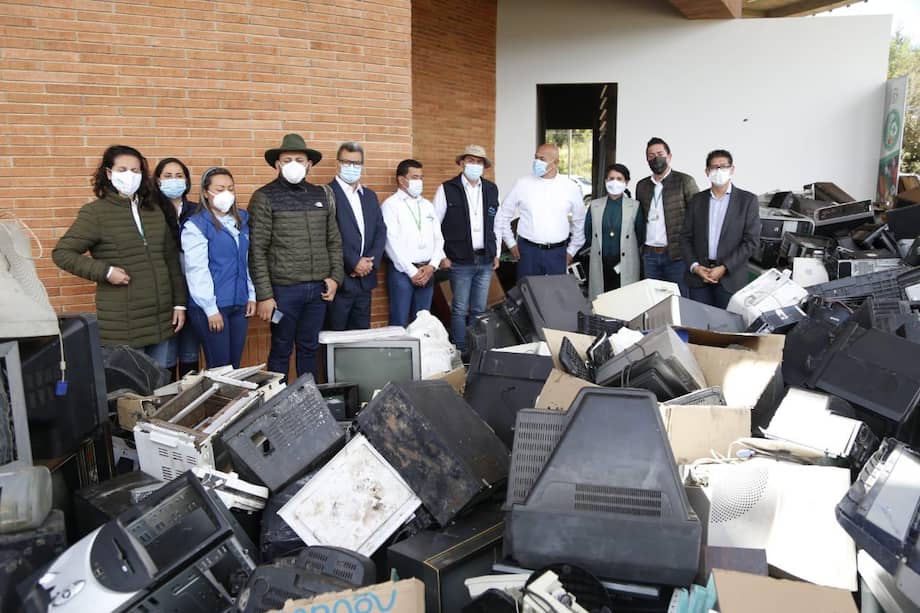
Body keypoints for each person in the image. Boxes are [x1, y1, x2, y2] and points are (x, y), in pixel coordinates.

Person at [52, 145, 187, 366]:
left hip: (161, 320)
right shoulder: (96, 213)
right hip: (124, 325)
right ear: (108, 173)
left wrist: (179, 304)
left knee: (161, 389)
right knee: (129, 393)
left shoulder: (153, 211)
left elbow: (170, 260)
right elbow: (62, 253)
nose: (130, 175)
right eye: (123, 169)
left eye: (135, 170)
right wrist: (105, 271)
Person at [248, 134, 344, 380]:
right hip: (284, 292)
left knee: (309, 348)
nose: (293, 164)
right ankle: (277, 405)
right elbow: (257, 249)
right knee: (281, 349)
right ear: (277, 164)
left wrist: (335, 277)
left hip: (318, 289)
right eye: (287, 159)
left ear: (309, 164)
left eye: (299, 159)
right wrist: (265, 295)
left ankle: (307, 400)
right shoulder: (264, 197)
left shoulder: (320, 195)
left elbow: (333, 240)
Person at [182, 168, 256, 369]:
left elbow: (246, 260)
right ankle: (220, 402)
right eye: (220, 188)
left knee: (235, 367)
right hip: (213, 307)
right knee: (220, 368)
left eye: (230, 188)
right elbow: (196, 269)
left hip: (238, 304)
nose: (226, 193)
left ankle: (234, 402)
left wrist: (251, 294)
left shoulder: (241, 221)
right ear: (206, 192)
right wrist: (210, 308)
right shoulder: (196, 225)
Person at [433, 145, 500, 356]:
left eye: (479, 162)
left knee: (479, 310)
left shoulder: (491, 189)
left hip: (485, 259)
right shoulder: (447, 189)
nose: (474, 165)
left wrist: (496, 252)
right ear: (461, 163)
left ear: (484, 166)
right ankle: (461, 351)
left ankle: (475, 352)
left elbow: (496, 222)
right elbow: (434, 224)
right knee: (460, 309)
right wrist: (441, 256)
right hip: (459, 260)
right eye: (470, 160)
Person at [680, 149, 761, 309]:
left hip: (731, 278)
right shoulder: (697, 200)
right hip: (699, 278)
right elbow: (685, 237)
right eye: (714, 167)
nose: (718, 171)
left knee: (726, 329)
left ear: (732, 169)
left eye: (723, 166)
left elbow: (751, 242)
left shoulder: (747, 201)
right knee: (699, 327)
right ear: (707, 171)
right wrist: (695, 267)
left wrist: (724, 268)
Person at [495, 143, 585, 281]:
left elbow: (580, 222)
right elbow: (503, 215)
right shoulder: (522, 184)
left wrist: (571, 251)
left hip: (558, 253)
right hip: (527, 252)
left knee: (555, 296)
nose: (537, 162)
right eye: (535, 158)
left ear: (556, 163)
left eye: (542, 159)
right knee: (528, 296)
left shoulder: (570, 187)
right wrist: (511, 243)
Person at [326, 142, 387, 331]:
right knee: (334, 340)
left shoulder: (369, 195)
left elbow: (380, 231)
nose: (352, 167)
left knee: (361, 341)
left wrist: (370, 263)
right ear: (337, 164)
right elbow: (327, 235)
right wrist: (354, 262)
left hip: (364, 282)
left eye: (357, 163)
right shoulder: (327, 194)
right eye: (347, 162)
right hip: (340, 280)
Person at [382, 159, 446, 327]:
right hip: (403, 273)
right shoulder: (390, 205)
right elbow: (390, 243)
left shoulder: (427, 205)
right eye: (415, 177)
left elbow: (439, 238)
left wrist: (432, 266)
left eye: (421, 177)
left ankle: (422, 354)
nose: (419, 182)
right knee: (400, 322)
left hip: (427, 271)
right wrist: (412, 272)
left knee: (424, 324)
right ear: (402, 180)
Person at [153, 157, 200, 377]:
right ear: (157, 180)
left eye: (179, 176)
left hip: (195, 290)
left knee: (190, 352)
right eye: (168, 176)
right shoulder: (150, 212)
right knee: (166, 354)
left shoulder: (197, 210)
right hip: (165, 291)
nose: (174, 180)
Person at [635, 137, 699, 296]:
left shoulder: (685, 181)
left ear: (669, 156)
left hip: (676, 256)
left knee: (679, 300)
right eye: (651, 155)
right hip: (649, 256)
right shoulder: (642, 186)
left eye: (660, 153)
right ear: (647, 160)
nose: (655, 158)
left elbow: (697, 217)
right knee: (653, 301)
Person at [584, 163, 643, 300]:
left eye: (619, 178)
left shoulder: (635, 206)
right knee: (601, 301)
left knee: (624, 302)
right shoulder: (595, 205)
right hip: (600, 261)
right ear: (605, 181)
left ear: (626, 182)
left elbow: (639, 235)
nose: (614, 182)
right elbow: (588, 233)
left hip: (625, 262)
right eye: (611, 178)